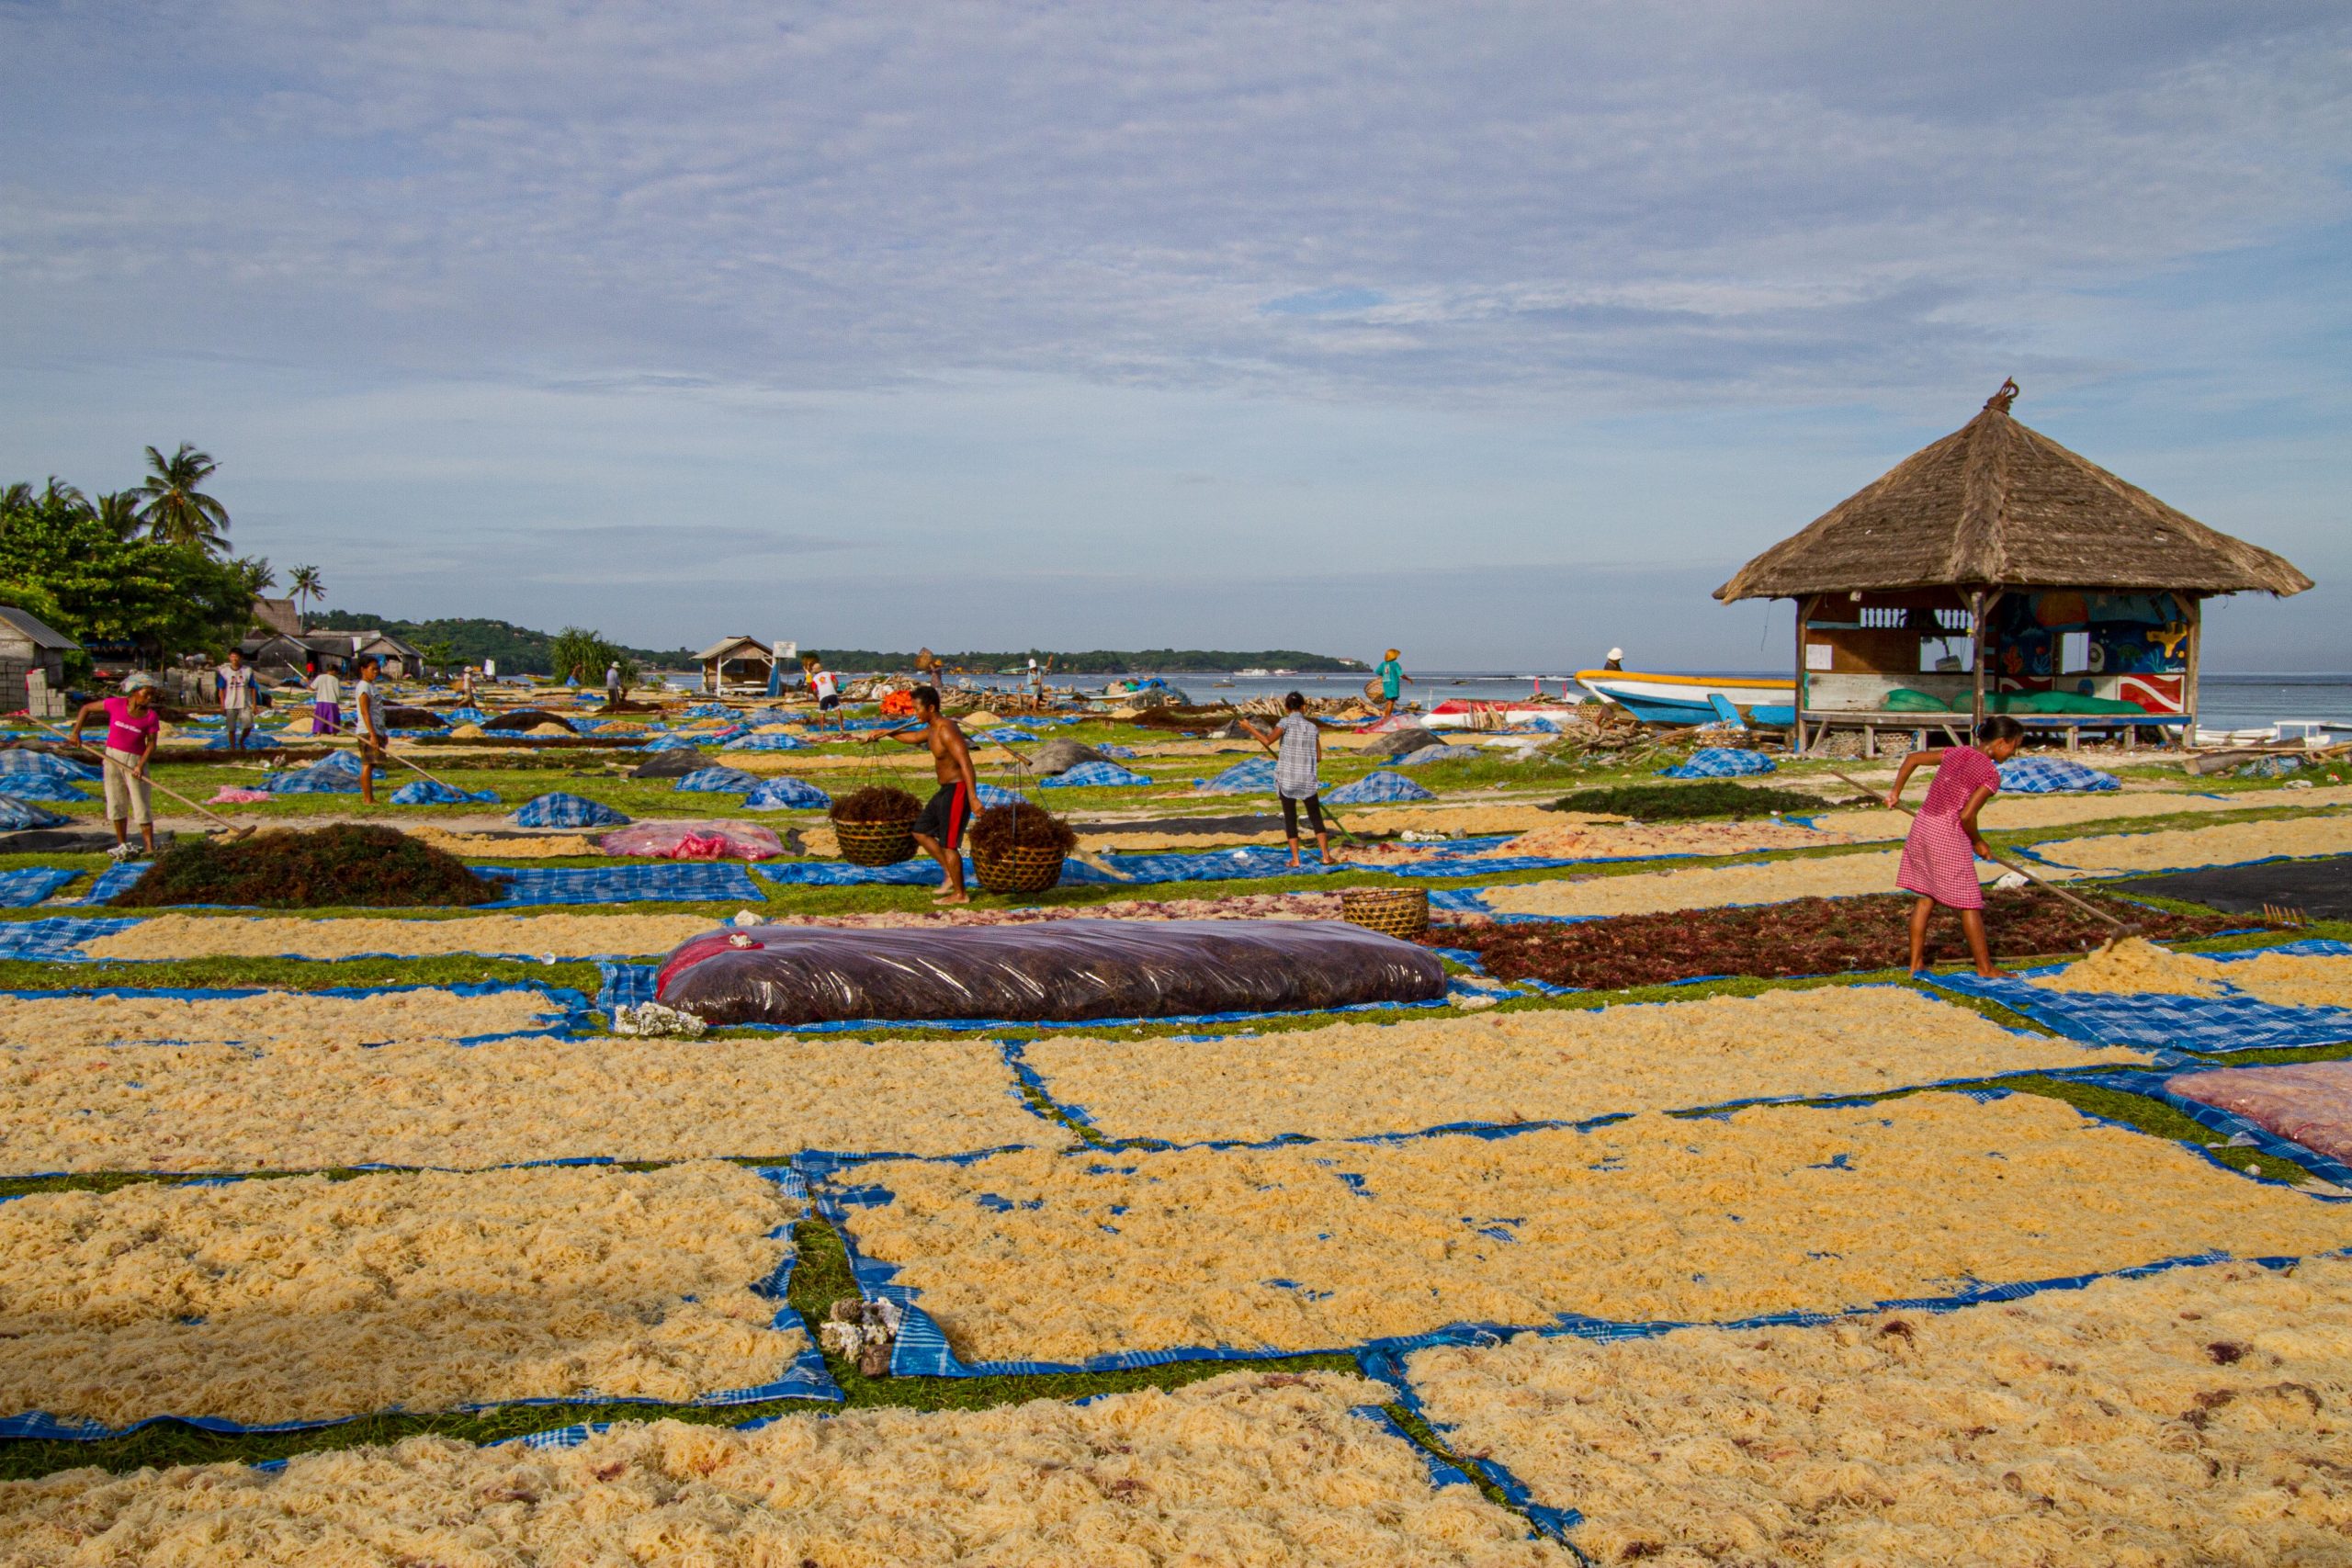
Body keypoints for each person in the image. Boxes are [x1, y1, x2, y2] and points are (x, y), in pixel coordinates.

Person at [1886, 716, 2029, 978]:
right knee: (1970, 902)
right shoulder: (1990, 774)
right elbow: (1966, 816)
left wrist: (1895, 792)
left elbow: (1912, 759)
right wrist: (1978, 842)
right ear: (2000, 742)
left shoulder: (1957, 752)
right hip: (1947, 834)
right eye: (2013, 747)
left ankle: (1915, 963)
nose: (2014, 753)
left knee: (1926, 895)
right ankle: (1985, 968)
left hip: (1923, 825)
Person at [865, 683, 978, 903]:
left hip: (958, 789)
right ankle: (949, 873)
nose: (914, 713)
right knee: (920, 831)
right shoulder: (931, 729)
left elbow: (966, 762)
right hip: (945, 790)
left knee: (949, 845)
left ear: (932, 708)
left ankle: (960, 894)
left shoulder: (946, 729)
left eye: (917, 709)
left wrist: (973, 798)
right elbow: (914, 738)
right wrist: (886, 734)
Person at [1241, 691, 1344, 869]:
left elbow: (1267, 741)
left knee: (1290, 818)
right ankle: (1326, 856)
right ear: (1304, 707)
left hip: (1288, 779)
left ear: (1286, 708)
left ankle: (1296, 860)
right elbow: (1318, 757)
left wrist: (1248, 727)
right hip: (1307, 779)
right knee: (1316, 818)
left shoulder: (1284, 723)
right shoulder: (1313, 728)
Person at [73, 672, 163, 861]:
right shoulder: (116, 704)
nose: (149, 698)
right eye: (146, 693)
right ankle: (122, 844)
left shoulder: (150, 716)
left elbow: (152, 744)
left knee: (140, 804)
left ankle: (149, 847)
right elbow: (86, 708)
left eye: (152, 695)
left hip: (134, 761)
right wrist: (76, 733)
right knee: (116, 802)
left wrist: (139, 765)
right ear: (135, 692)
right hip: (112, 757)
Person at [351, 656, 387, 806]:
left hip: (377, 729)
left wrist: (382, 732)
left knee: (372, 764)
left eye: (377, 669)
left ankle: (370, 798)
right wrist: (372, 735)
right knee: (368, 764)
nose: (376, 672)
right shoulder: (364, 687)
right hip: (367, 731)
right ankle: (368, 799)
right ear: (363, 669)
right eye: (373, 669)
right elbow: (365, 712)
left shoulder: (371, 686)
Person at [216, 649, 256, 754]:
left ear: (241, 658)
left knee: (248, 725)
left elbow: (253, 688)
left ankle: (241, 741)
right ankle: (233, 748)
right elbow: (221, 689)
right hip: (230, 703)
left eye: (237, 656)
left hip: (244, 703)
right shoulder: (224, 672)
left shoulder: (247, 671)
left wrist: (254, 704)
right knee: (231, 728)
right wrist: (222, 704)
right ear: (229, 657)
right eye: (232, 656)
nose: (234, 659)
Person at [803, 652, 842, 729]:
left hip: (823, 695)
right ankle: (841, 727)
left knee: (822, 713)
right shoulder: (829, 673)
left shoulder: (814, 679)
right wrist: (835, 689)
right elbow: (836, 682)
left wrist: (816, 697)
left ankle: (822, 729)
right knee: (837, 710)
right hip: (832, 693)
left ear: (815, 671)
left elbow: (814, 690)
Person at [1375, 648, 1412, 718]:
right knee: (1391, 702)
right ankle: (1387, 717)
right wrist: (1408, 679)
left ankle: (1386, 716)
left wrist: (1385, 675)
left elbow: (1378, 671)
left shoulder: (1383, 664)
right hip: (1393, 684)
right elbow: (1401, 674)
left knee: (1389, 701)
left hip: (1386, 684)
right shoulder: (1395, 664)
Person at [310, 664, 343, 736]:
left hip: (321, 701)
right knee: (332, 718)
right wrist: (338, 701)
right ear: (334, 671)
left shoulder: (320, 677)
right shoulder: (335, 680)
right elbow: (338, 692)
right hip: (332, 701)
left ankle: (319, 732)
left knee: (320, 717)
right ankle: (333, 733)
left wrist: (307, 682)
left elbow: (312, 688)